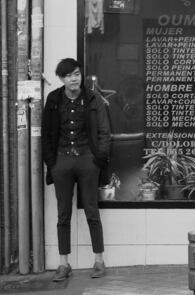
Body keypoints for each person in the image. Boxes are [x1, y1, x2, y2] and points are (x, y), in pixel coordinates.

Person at [41, 58, 111, 281]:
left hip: (87, 161)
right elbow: (46, 135)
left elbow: (104, 132)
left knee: (92, 210)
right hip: (61, 161)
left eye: (77, 74)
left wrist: (98, 160)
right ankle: (64, 264)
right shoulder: (53, 100)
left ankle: (99, 260)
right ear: (61, 78)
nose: (74, 78)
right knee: (63, 214)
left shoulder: (93, 99)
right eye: (69, 75)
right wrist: (52, 164)